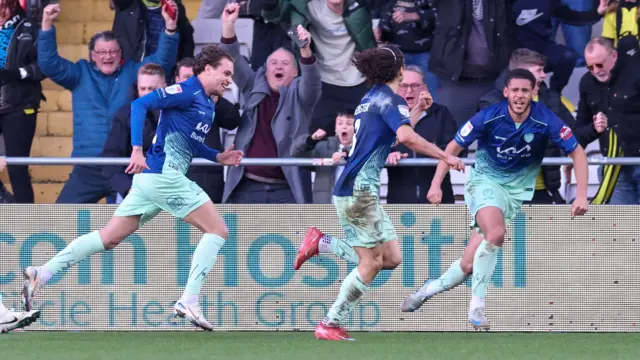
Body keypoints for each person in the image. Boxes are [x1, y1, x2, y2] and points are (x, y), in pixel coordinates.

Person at [20, 45, 244, 332]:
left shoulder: (205, 101)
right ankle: (189, 299)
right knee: (218, 231)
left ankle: (43, 272)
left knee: (108, 238)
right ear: (207, 69)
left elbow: (187, 142)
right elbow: (140, 105)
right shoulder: (186, 90)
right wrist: (137, 150)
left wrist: (218, 156)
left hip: (151, 181)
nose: (229, 79)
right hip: (165, 177)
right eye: (226, 72)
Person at [292, 45, 464, 341]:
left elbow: (392, 134)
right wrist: (445, 156)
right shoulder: (391, 100)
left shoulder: (372, 99)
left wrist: (418, 110)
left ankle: (322, 243)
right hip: (359, 190)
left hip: (357, 189)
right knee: (371, 262)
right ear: (399, 70)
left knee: (392, 258)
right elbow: (406, 137)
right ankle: (330, 323)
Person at [399, 69, 590, 330]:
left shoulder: (546, 120)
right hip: (485, 183)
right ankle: (477, 308)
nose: (520, 95)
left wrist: (581, 195)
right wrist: (435, 184)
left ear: (534, 92)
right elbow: (452, 149)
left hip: (515, 193)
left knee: (468, 263)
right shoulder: (489, 116)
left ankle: (424, 292)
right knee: (497, 233)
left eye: (526, 90)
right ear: (506, 92)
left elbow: (578, 153)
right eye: (516, 90)